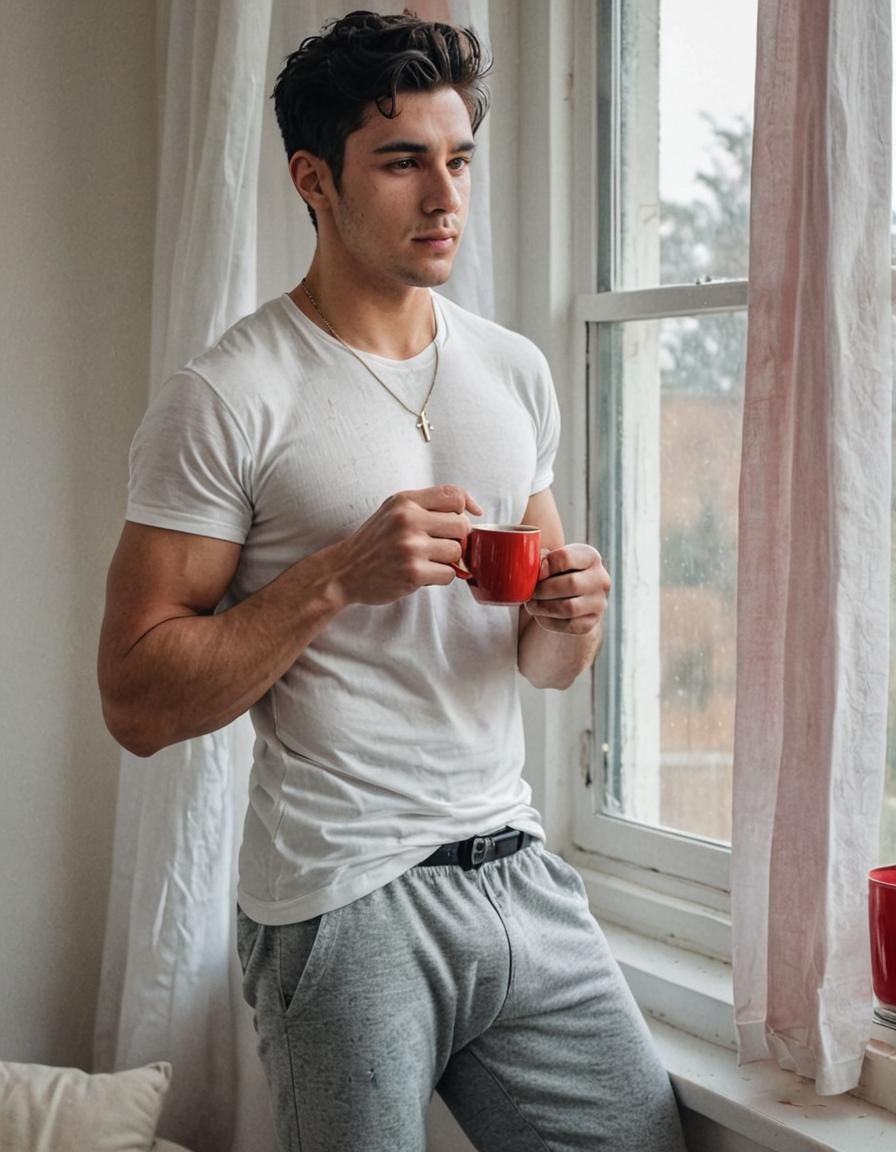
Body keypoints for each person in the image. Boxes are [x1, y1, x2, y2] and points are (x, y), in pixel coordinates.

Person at [98, 10, 686, 1152]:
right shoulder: (229, 396)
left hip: (517, 873)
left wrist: (576, 616)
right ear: (311, 179)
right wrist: (332, 579)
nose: (444, 196)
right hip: (342, 897)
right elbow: (133, 699)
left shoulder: (511, 370)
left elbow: (545, 664)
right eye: (402, 161)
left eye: (456, 158)